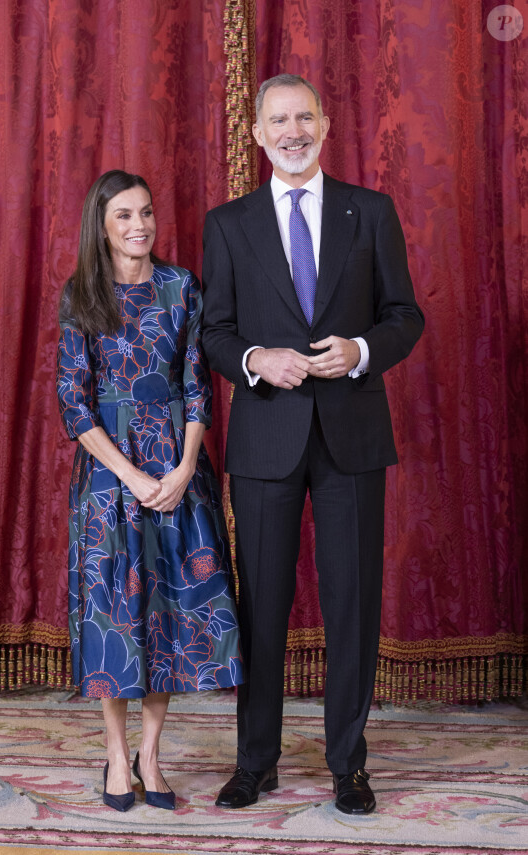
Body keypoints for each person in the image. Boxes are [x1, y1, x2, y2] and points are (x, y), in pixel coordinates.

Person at [201, 74, 424, 815]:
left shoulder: (373, 211)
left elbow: (405, 315)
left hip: (352, 435)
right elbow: (215, 331)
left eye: (304, 117)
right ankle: (255, 761)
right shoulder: (228, 223)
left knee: (352, 601)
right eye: (277, 120)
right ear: (258, 134)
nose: (292, 131)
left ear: (324, 125)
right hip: (266, 436)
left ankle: (348, 764)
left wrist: (360, 349)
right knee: (261, 603)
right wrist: (256, 361)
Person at [56, 169, 243, 813]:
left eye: (147, 213)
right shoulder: (82, 294)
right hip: (111, 476)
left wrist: (187, 467)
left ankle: (152, 756)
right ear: (101, 228)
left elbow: (197, 387)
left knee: (165, 612)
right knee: (116, 616)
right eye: (124, 217)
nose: (140, 227)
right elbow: (72, 403)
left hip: (175, 468)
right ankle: (114, 755)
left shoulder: (179, 286)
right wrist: (128, 475)